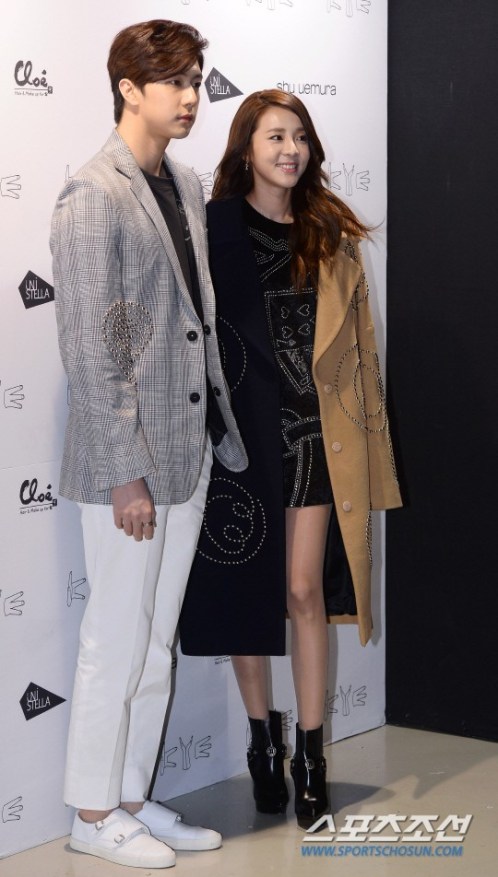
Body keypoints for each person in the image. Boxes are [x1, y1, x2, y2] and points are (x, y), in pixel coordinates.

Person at [50, 20, 247, 869]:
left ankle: (130, 797)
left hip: (187, 448)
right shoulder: (91, 194)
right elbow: (92, 349)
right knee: (115, 640)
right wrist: (124, 471)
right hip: (126, 465)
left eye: (197, 80)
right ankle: (91, 813)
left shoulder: (186, 182)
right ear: (129, 88)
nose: (191, 97)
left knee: (155, 640)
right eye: (174, 81)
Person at [179, 89, 402, 828]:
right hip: (237, 441)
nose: (291, 149)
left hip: (312, 437)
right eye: (276, 136)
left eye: (300, 136)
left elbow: (361, 353)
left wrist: (372, 451)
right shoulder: (212, 228)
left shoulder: (328, 233)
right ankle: (260, 742)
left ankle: (311, 757)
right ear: (246, 147)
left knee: (304, 590)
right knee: (247, 598)